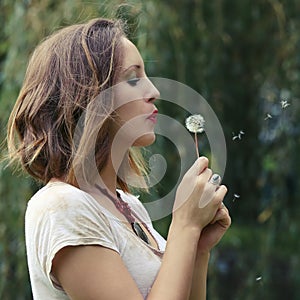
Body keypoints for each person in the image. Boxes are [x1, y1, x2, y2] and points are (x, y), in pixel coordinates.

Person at [7, 17, 231, 299]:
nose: (154, 92)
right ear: (89, 97)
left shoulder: (132, 208)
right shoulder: (61, 207)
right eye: (134, 79)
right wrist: (184, 227)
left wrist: (197, 247)